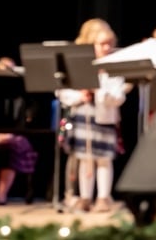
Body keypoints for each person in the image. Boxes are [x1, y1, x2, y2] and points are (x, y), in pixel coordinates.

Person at [56, 23, 126, 212]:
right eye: (102, 44)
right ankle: (85, 198)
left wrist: (99, 92)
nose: (106, 48)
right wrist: (81, 95)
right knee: (85, 157)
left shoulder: (114, 66)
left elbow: (119, 96)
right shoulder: (79, 66)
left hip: (104, 116)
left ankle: (103, 197)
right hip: (83, 114)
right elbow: (62, 92)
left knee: (103, 158)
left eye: (109, 43)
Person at [0, 58, 38, 205]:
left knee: (8, 151)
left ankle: (1, 194)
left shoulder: (23, 94)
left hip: (16, 136)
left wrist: (10, 135)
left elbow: (28, 120)